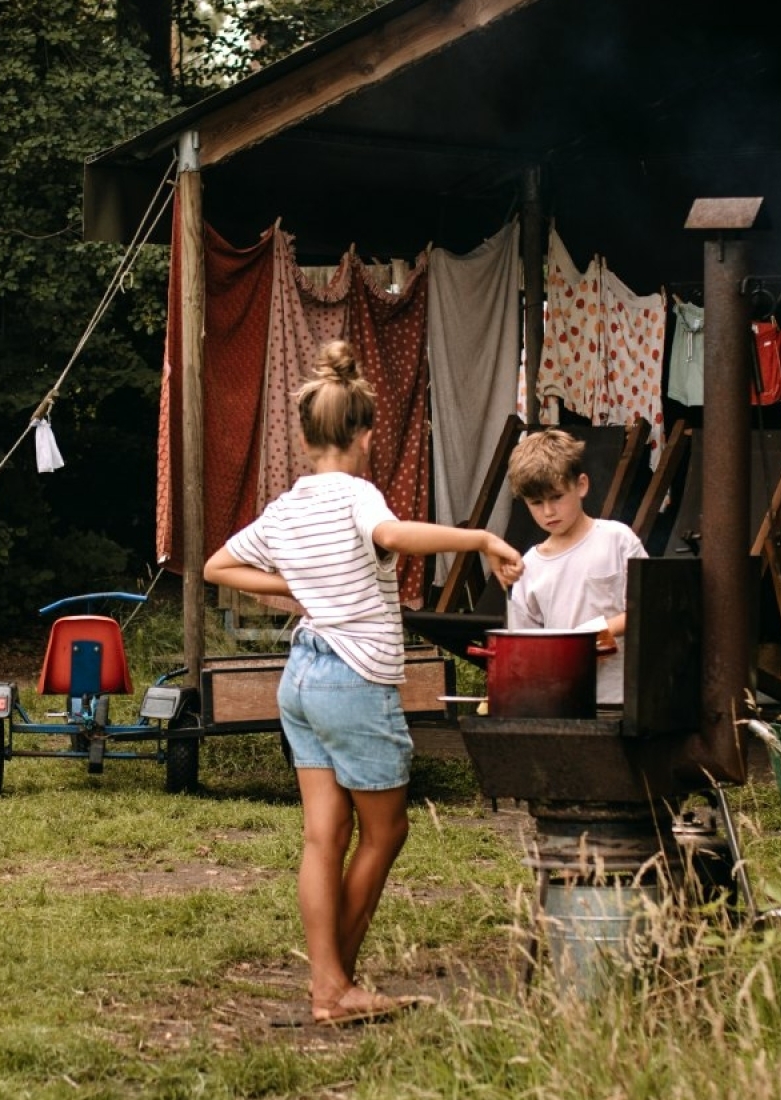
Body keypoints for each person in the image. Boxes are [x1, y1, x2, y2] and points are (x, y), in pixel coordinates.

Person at [204, 340, 525, 1027]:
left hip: (302, 677)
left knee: (326, 836)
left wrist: (291, 586)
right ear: (364, 434)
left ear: (305, 434)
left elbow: (216, 566)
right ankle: (334, 985)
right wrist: (479, 540)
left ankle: (330, 985)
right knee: (386, 832)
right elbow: (395, 534)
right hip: (352, 679)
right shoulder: (357, 494)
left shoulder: (287, 507)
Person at [504, 429, 649, 706]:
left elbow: (651, 607)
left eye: (556, 497)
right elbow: (524, 647)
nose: (548, 512)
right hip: (563, 699)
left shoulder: (617, 540)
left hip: (625, 695)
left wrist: (599, 630)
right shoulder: (530, 566)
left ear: (581, 485)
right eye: (536, 503)